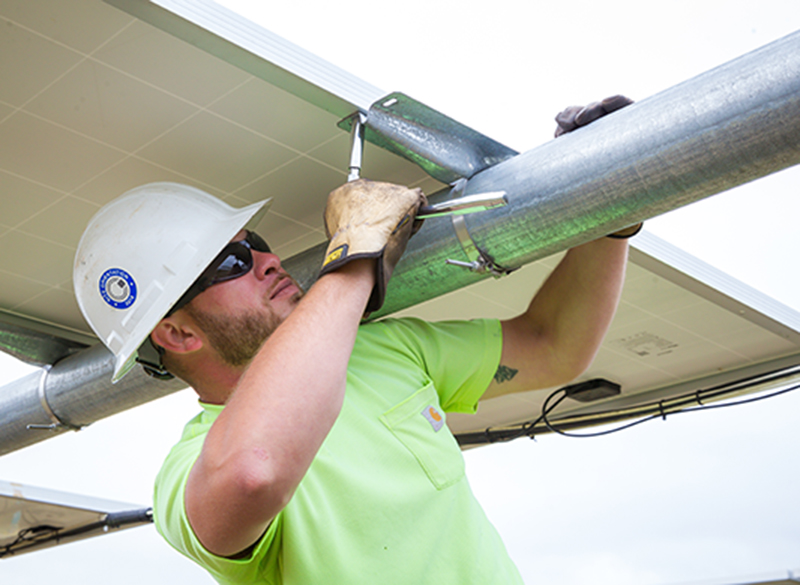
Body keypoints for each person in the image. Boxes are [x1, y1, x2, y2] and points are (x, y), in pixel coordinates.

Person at [73, 96, 639, 584]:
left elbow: (552, 346)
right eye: (231, 261)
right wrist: (353, 258)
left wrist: (614, 213)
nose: (269, 261)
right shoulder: (187, 475)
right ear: (174, 332)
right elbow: (255, 471)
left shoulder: (381, 351)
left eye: (259, 243)